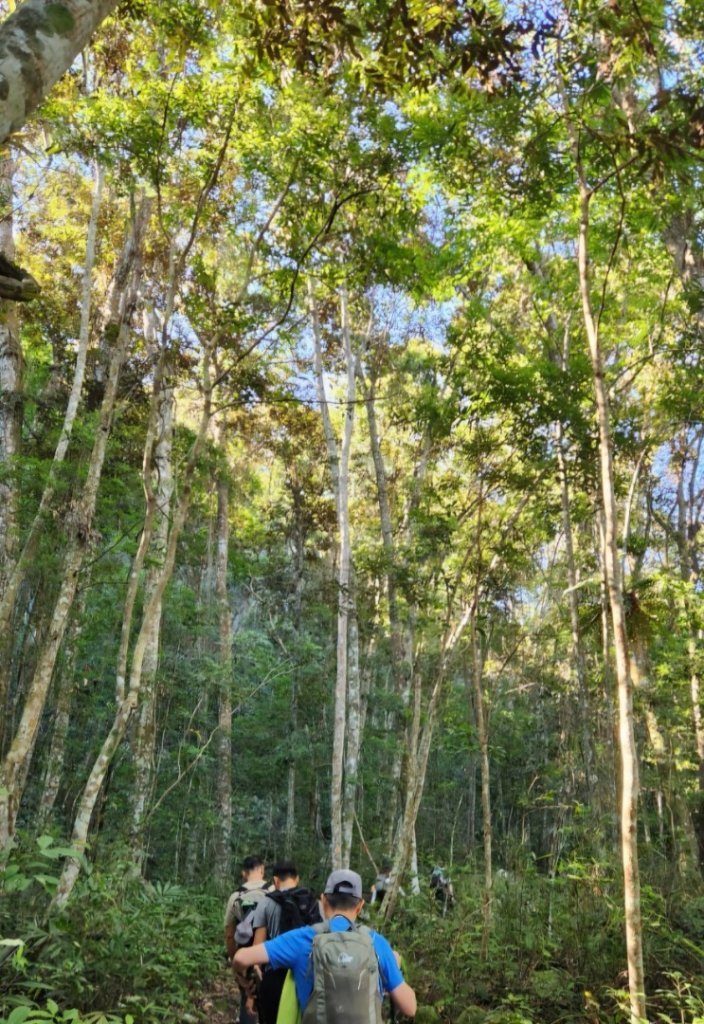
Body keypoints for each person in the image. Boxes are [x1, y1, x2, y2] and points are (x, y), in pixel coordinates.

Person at [234, 868, 416, 1023]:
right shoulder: (376, 942)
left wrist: (245, 981)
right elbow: (410, 1008)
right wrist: (395, 964)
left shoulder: (304, 938)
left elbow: (241, 957)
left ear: (323, 901)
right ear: (360, 906)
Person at [251, 861, 321, 1024]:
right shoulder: (312, 902)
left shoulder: (265, 902)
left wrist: (255, 973)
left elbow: (258, 946)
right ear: (297, 879)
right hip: (306, 975)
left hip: (274, 975)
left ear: (275, 880)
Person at [224, 856, 270, 1024]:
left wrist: (234, 960)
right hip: (269, 955)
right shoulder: (273, 892)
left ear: (244, 873)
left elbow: (229, 934)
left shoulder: (235, 897)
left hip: (245, 956)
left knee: (247, 995)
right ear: (262, 870)